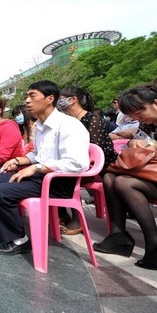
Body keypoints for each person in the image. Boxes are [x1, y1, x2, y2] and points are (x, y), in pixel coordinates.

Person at [0, 80, 89, 255]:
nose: (27, 101)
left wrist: (37, 168)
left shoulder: (69, 125)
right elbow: (37, 155)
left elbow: (76, 163)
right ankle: (3, 231)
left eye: (32, 95)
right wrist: (19, 161)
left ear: (49, 98)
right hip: (40, 176)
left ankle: (19, 240)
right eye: (27, 96)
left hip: (57, 182)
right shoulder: (39, 126)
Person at [94, 84, 157, 269]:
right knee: (109, 177)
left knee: (124, 182)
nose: (138, 119)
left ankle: (156, 243)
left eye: (140, 113)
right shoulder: (147, 121)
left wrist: (156, 146)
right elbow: (138, 138)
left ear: (156, 103)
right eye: (134, 116)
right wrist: (134, 141)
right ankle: (118, 235)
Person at [56, 86, 118, 234]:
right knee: (52, 173)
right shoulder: (68, 121)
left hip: (100, 166)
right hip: (80, 161)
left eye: (60, 99)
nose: (58, 103)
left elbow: (94, 148)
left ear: (73, 100)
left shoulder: (93, 119)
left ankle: (78, 219)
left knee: (67, 176)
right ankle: (62, 213)